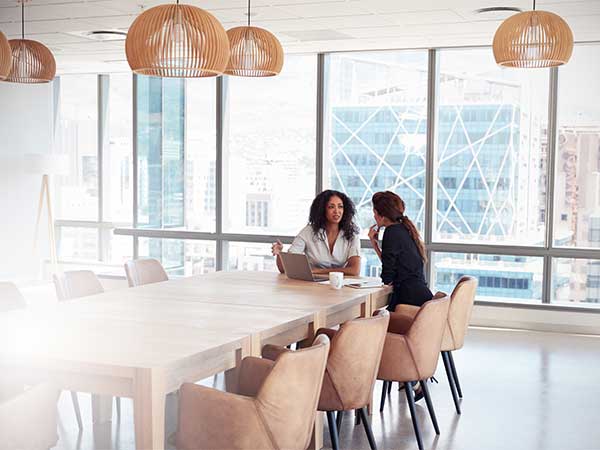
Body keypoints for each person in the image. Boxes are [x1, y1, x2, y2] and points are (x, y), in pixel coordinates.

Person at [368, 191, 432, 311]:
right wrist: (375, 245)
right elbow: (394, 265)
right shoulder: (404, 229)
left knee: (373, 320)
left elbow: (388, 277)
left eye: (374, 213)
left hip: (407, 300)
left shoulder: (391, 232)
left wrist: (388, 278)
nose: (374, 217)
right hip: (419, 297)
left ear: (381, 215)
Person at [272, 190, 361, 276]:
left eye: (340, 206)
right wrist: (279, 253)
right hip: (313, 285)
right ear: (322, 210)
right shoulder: (308, 232)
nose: (337, 211)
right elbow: (285, 268)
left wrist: (318, 271)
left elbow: (354, 270)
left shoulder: (352, 234)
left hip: (339, 284)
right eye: (331, 207)